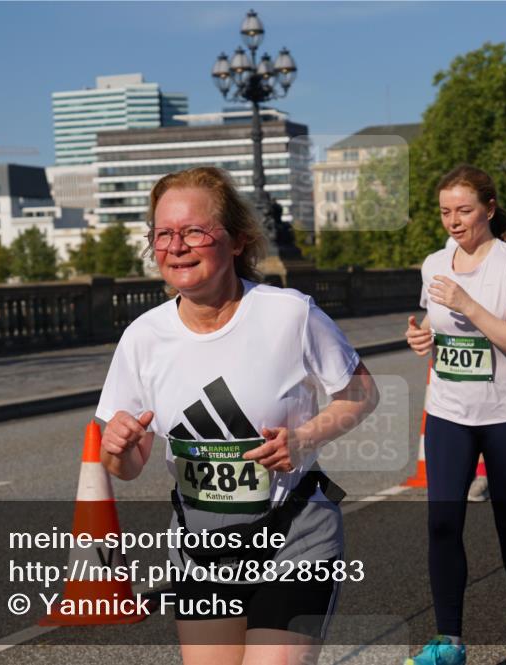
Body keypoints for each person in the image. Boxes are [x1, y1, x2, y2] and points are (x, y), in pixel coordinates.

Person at [97, 166, 379, 665]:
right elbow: (129, 465)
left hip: (294, 540)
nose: (176, 246)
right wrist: (117, 450)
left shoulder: (289, 314)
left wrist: (304, 439)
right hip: (200, 552)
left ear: (236, 241)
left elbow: (362, 393)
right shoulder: (144, 337)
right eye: (163, 234)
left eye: (194, 232)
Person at [404, 164, 506, 665]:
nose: (454, 221)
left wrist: (468, 303)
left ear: (488, 208)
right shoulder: (433, 263)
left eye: (464, 210)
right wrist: (422, 336)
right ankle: (449, 644)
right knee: (442, 523)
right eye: (445, 212)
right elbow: (436, 326)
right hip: (448, 413)